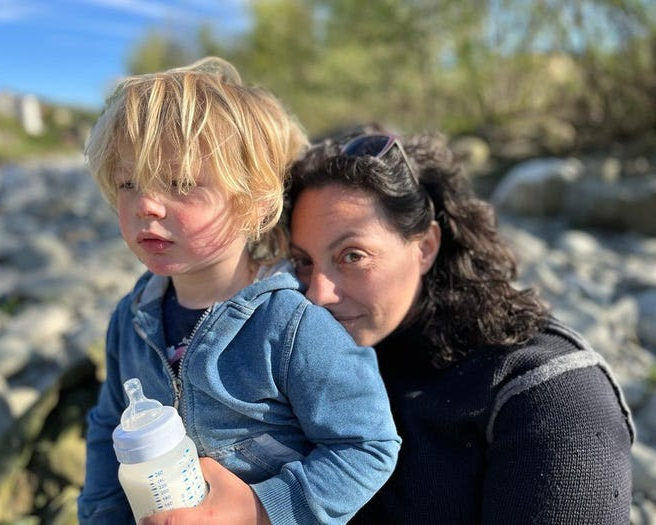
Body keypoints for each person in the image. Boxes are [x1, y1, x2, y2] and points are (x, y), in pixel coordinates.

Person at [146, 129, 635, 524]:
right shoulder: (301, 361)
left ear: (424, 246)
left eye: (352, 256)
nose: (318, 293)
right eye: (303, 262)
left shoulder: (546, 392)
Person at [76, 60, 401, 525]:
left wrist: (260, 510)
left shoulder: (292, 325)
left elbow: (367, 446)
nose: (146, 203)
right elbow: (109, 427)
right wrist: (102, 515)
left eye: (180, 183)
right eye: (129, 183)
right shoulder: (131, 319)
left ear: (253, 203)